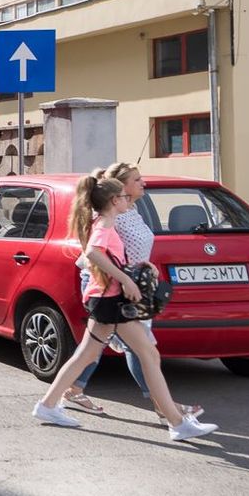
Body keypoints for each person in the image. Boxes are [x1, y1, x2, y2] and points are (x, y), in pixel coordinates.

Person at [33, 175, 218, 443]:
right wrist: (126, 279)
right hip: (110, 301)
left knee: (87, 356)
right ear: (113, 200)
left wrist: (137, 269)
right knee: (148, 354)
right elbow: (94, 253)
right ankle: (177, 423)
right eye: (122, 196)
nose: (127, 200)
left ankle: (47, 406)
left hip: (105, 299)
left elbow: (108, 256)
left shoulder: (104, 221)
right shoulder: (106, 222)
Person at [62, 163, 200, 420]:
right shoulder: (112, 217)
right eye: (137, 180)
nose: (142, 183)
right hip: (113, 287)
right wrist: (126, 280)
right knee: (139, 348)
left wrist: (144, 268)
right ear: (120, 190)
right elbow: (96, 253)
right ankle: (165, 408)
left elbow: (129, 250)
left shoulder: (132, 211)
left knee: (98, 347)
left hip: (130, 286)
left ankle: (67, 392)